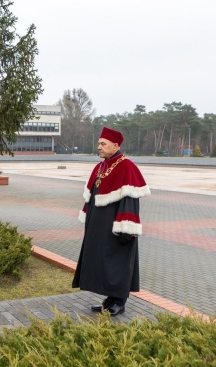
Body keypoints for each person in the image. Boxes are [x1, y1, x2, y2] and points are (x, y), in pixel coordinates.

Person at [72, 127, 150, 316]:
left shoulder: (127, 166)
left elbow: (130, 200)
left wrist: (125, 229)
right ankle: (109, 299)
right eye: (99, 143)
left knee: (118, 264)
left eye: (103, 144)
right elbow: (91, 197)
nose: (98, 147)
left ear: (116, 145)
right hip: (99, 227)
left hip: (117, 228)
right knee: (103, 262)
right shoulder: (101, 167)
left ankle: (119, 302)